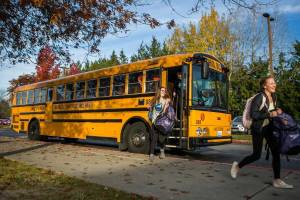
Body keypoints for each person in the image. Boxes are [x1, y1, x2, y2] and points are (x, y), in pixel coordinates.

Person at [230, 75, 294, 189]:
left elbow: (270, 110)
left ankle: (277, 180)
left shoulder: (274, 96)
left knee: (276, 152)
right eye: (271, 83)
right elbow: (254, 115)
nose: (274, 84)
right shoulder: (259, 97)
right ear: (265, 86)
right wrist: (270, 114)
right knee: (256, 155)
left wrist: (277, 110)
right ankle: (237, 166)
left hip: (269, 128)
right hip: (258, 128)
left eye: (274, 82)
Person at [148, 87, 172, 162]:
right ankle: (151, 154)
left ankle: (162, 151)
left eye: (164, 91)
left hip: (162, 122)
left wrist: (167, 104)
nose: (163, 92)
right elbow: (149, 107)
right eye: (162, 90)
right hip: (154, 121)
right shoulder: (155, 99)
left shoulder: (167, 100)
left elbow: (166, 111)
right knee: (153, 138)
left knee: (162, 138)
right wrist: (149, 107)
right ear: (159, 91)